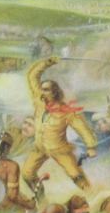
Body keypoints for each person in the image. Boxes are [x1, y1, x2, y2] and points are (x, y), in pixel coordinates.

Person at [22, 56, 99, 189]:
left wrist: (91, 147)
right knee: (26, 174)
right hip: (40, 148)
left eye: (46, 89)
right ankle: (39, 195)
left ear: (54, 93)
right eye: (42, 88)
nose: (42, 92)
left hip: (59, 149)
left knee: (76, 175)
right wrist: (47, 62)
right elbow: (32, 77)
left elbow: (82, 129)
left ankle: (91, 195)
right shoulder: (39, 103)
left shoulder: (66, 112)